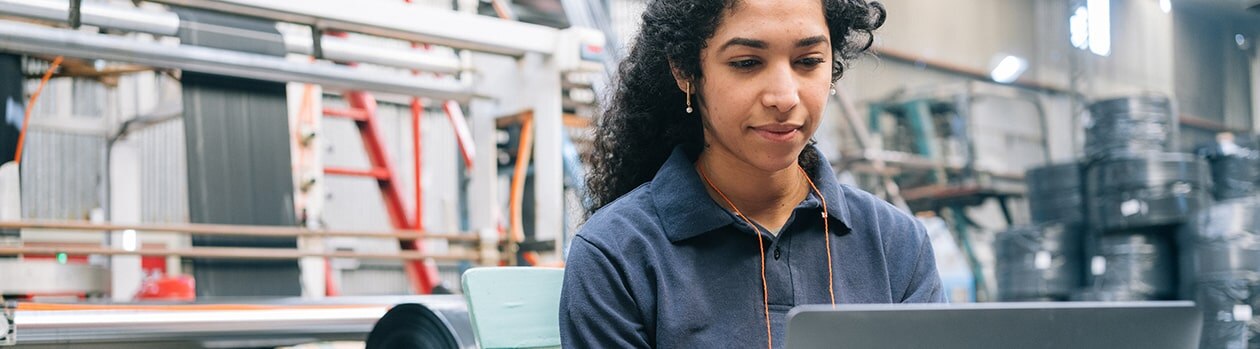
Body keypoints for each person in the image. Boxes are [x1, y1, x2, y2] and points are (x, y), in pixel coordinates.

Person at [560, 0, 945, 347]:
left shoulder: (896, 245)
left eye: (808, 61)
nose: (784, 97)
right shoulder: (616, 256)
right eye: (747, 63)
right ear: (684, 71)